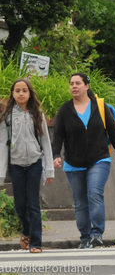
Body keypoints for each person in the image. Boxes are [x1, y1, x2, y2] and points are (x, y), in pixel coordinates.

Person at [53, 72, 115, 249]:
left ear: (87, 86)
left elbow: (113, 131)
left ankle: (96, 234)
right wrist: (56, 155)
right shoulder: (64, 110)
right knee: (80, 201)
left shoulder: (100, 107)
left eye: (78, 83)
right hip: (73, 162)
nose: (74, 86)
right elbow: (58, 136)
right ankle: (85, 237)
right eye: (71, 84)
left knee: (94, 194)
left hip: (99, 159)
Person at [0, 79, 54, 253]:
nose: (21, 93)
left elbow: (45, 142)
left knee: (33, 204)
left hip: (35, 163)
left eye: (24, 90)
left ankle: (35, 243)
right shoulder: (7, 117)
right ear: (13, 94)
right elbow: (2, 145)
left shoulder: (37, 114)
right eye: (17, 90)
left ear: (30, 93)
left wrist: (49, 169)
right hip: (16, 165)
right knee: (20, 205)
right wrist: (1, 173)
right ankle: (26, 231)